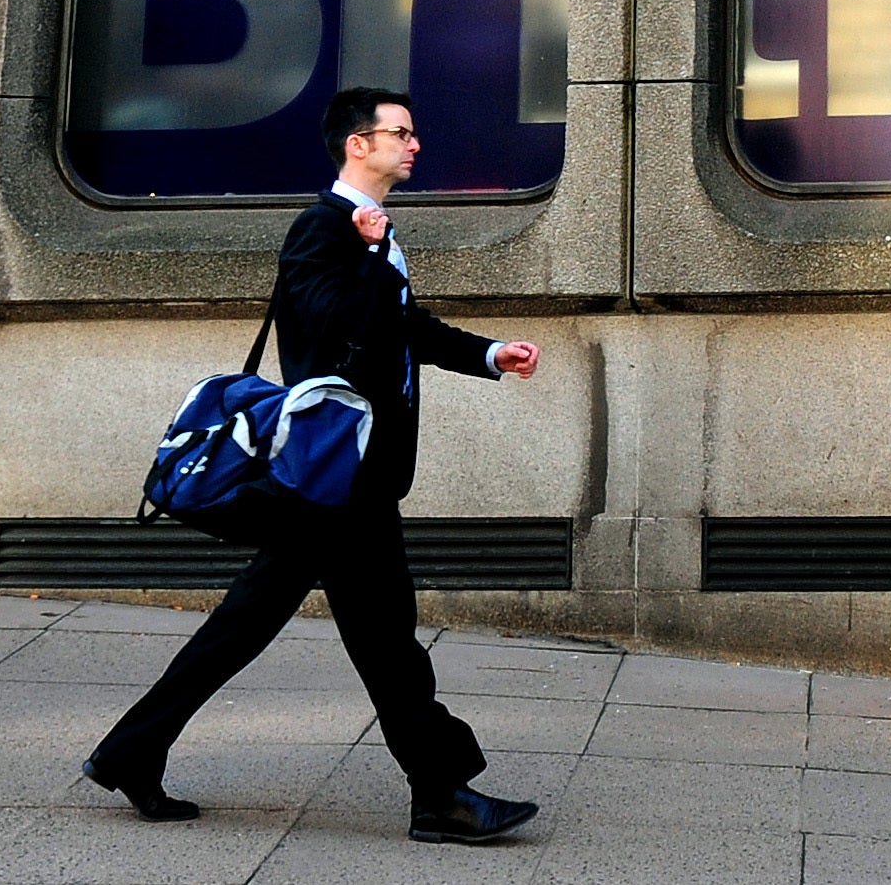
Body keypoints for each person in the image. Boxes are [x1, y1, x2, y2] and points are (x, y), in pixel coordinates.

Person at [84, 87, 546, 846]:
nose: (415, 143)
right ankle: (441, 796)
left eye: (412, 130)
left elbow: (403, 330)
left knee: (256, 625)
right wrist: (367, 254)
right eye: (400, 131)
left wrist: (490, 355)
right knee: (386, 641)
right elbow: (336, 330)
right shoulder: (323, 228)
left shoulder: (371, 231)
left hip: (349, 476)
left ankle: (130, 752)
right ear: (357, 145)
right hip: (338, 475)